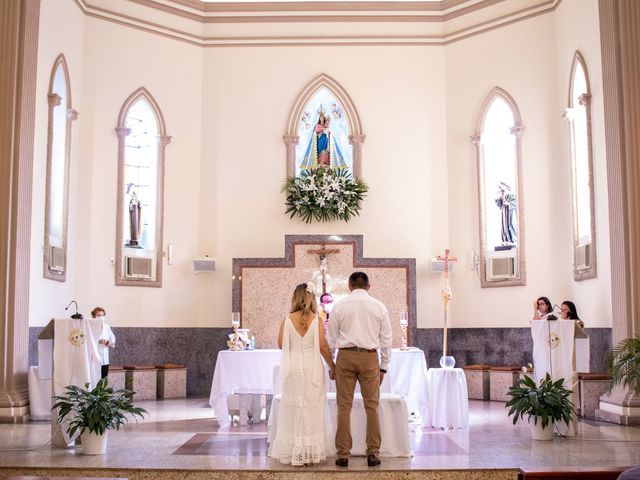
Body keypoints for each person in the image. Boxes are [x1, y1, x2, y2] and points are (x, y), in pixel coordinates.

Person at [327, 271, 392, 468]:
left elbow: (330, 340)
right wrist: (383, 367)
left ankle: (343, 454)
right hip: (369, 357)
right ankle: (373, 453)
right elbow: (386, 340)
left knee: (343, 406)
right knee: (372, 406)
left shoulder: (339, 306)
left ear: (349, 286)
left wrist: (331, 364)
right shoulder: (379, 307)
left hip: (345, 357)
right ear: (368, 286)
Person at [268, 283, 336, 466]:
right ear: (312, 298)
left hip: (294, 368)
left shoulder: (287, 319)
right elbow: (322, 346)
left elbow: (281, 344)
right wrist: (332, 365)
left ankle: (294, 451)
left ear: (295, 298)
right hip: (312, 367)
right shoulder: (317, 320)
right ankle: (309, 453)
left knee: (295, 406)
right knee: (312, 407)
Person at [91, 306, 116, 379]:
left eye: (102, 315)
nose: (101, 317)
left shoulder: (107, 327)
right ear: (94, 316)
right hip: (94, 359)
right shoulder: (90, 327)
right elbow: (88, 341)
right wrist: (98, 341)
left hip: (105, 359)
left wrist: (108, 342)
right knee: (94, 379)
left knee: (103, 380)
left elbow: (113, 340)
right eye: (98, 315)